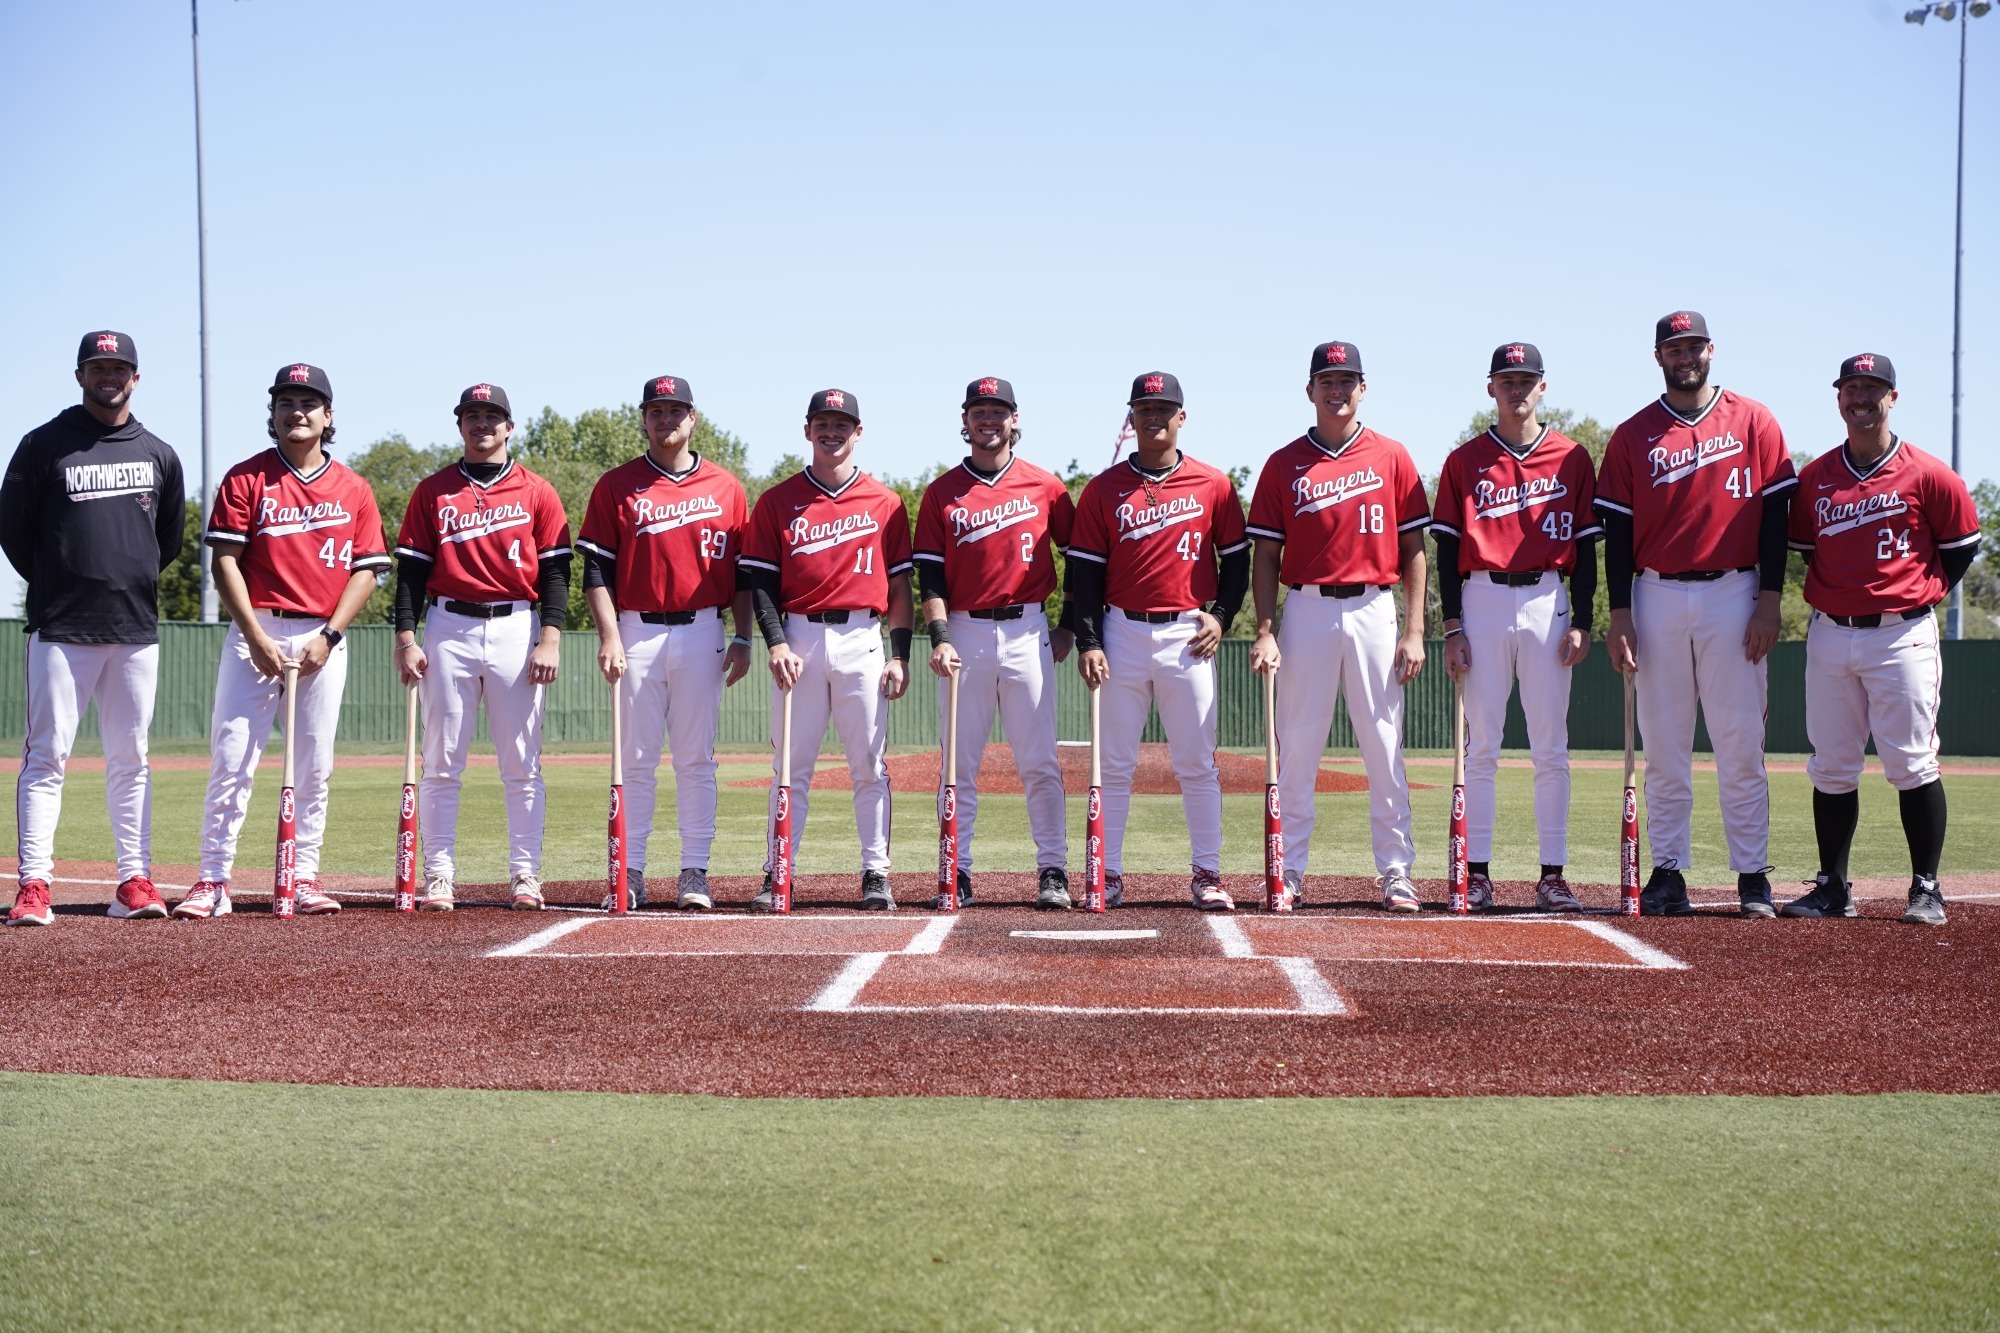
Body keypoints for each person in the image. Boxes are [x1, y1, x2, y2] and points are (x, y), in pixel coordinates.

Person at [1597, 311, 1796, 918]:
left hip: (1734, 591)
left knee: (1740, 741)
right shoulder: (1634, 434)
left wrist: (1769, 599)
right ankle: (1669, 870)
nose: (1684, 356)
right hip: (1656, 593)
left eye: (1693, 345)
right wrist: (1622, 613)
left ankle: (1752, 874)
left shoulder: (1754, 420)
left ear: (1712, 349)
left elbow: (1777, 518)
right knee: (1664, 744)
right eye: (1672, 347)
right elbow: (1618, 532)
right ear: (1658, 356)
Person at [174, 364, 390, 919]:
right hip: (257, 629)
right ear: (272, 414)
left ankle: (303, 875)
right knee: (232, 756)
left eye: (309, 402)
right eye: (286, 401)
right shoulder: (246, 479)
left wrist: (331, 634)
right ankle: (212, 878)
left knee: (314, 763)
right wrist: (254, 634)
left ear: (328, 416)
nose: (297, 410)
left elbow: (365, 570)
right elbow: (225, 562)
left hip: (323, 632)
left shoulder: (354, 488)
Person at [1782, 353, 1981, 926]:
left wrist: (1925, 589)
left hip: (1902, 634)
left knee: (1912, 762)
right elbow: (1807, 552)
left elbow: (1961, 545)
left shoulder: (1929, 474)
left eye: (1873, 388)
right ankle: (1833, 887)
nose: (1861, 398)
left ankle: (1925, 886)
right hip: (1830, 634)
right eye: (1851, 388)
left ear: (1893, 397)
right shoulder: (1817, 477)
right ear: (1837, 397)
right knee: (1832, 764)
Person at [3, 331, 185, 927]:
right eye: (97, 366)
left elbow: (168, 542)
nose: (109, 376)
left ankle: (133, 881)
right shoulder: (42, 446)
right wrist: (60, 581)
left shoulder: (159, 454)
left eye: (119, 367)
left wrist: (123, 580)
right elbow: (14, 532)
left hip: (133, 626)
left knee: (131, 757)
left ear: (136, 377)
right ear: (80, 374)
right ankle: (34, 885)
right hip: (61, 626)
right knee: (47, 756)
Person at [1247, 341, 1430, 912]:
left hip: (1375, 605)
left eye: (1347, 380)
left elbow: (1415, 549)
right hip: (1305, 606)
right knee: (1298, 745)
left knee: (1383, 741)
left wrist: (1415, 628)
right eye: (1327, 381)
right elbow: (1265, 559)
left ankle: (1397, 871)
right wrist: (1265, 629)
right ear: (1310, 391)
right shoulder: (1283, 463)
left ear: (1363, 388)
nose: (1337, 390)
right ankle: (1289, 870)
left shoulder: (1393, 456)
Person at [1067, 371, 1249, 910]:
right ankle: (1109, 873)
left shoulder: (1213, 483)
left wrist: (1221, 615)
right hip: (1120, 630)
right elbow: (1084, 575)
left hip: (1189, 633)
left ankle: (1208, 873)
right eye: (1144, 409)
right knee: (1114, 764)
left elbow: (1236, 562)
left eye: (1164, 409)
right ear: (1131, 417)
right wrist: (1089, 641)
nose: (1154, 417)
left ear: (1181, 417)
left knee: (1197, 762)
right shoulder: (1103, 489)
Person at [1430, 344, 1600, 912]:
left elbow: (1587, 548)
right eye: (1507, 380)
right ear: (1491, 389)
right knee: (1482, 747)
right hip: (1481, 595)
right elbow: (1447, 548)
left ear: (1543, 387)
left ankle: (1553, 875)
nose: (1517, 389)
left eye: (1527, 379)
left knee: (1551, 746)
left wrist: (1583, 618)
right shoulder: (1464, 461)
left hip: (1548, 594)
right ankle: (1476, 873)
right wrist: (1452, 625)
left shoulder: (1572, 457)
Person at [393, 384, 573, 912]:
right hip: (448, 625)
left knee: (521, 762)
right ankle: (440, 875)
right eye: (472, 416)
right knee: (442, 760)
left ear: (510, 426)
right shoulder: (434, 491)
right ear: (460, 426)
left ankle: (524, 874)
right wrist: (406, 637)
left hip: (518, 626)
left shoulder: (537, 490)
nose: (482, 425)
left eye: (492, 416)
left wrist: (551, 637)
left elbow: (558, 571)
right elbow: (411, 572)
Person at [578, 374, 752, 912]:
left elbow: (745, 576)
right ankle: (629, 870)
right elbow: (595, 570)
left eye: (676, 410)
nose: (666, 419)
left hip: (703, 629)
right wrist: (610, 635)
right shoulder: (617, 485)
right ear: (644, 418)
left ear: (693, 418)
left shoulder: (727, 487)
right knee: (634, 758)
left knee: (696, 759)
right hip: (636, 628)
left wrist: (744, 636)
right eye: (656, 410)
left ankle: (694, 871)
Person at [739, 389, 914, 910]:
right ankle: (779, 873)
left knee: (869, 764)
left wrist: (900, 653)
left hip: (863, 636)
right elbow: (762, 583)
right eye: (823, 423)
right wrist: (774, 643)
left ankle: (876, 874)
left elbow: (902, 586)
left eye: (843, 424)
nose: (832, 432)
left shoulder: (886, 502)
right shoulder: (777, 501)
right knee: (790, 767)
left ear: (858, 432)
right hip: (799, 638)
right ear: (807, 429)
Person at [915, 377, 1076, 910]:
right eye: (979, 411)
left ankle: (1053, 868)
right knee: (958, 762)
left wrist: (1070, 624)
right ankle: (955, 868)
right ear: (965, 421)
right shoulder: (942, 492)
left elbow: (1082, 561)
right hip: (964, 629)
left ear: (1014, 419)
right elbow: (930, 578)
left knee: (1039, 760)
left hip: (1029, 627)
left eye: (998, 410)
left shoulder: (1046, 487)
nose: (988, 420)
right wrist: (939, 637)